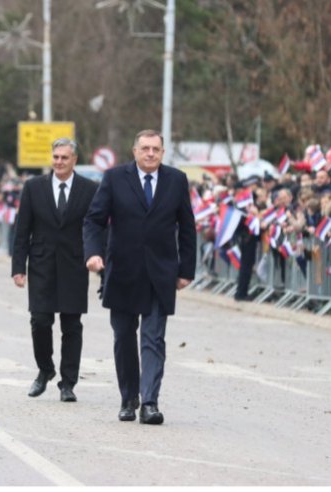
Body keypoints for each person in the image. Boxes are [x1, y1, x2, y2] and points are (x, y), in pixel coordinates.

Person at [83, 129, 196, 424]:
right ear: (134, 151)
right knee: (124, 337)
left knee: (154, 339)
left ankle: (149, 402)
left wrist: (186, 271)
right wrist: (93, 254)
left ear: (162, 152)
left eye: (155, 149)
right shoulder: (115, 178)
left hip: (160, 273)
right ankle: (128, 397)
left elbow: (187, 227)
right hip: (121, 271)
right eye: (144, 148)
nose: (150, 154)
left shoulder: (176, 180)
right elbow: (94, 220)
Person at [12, 138, 98, 402]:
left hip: (74, 265)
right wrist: (18, 267)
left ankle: (68, 382)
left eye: (64, 157)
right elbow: (22, 229)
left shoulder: (89, 189)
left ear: (74, 159)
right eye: (56, 157)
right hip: (41, 264)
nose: (59, 162)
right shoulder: (33, 187)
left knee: (71, 325)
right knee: (40, 320)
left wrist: (98, 257)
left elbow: (95, 227)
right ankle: (45, 370)